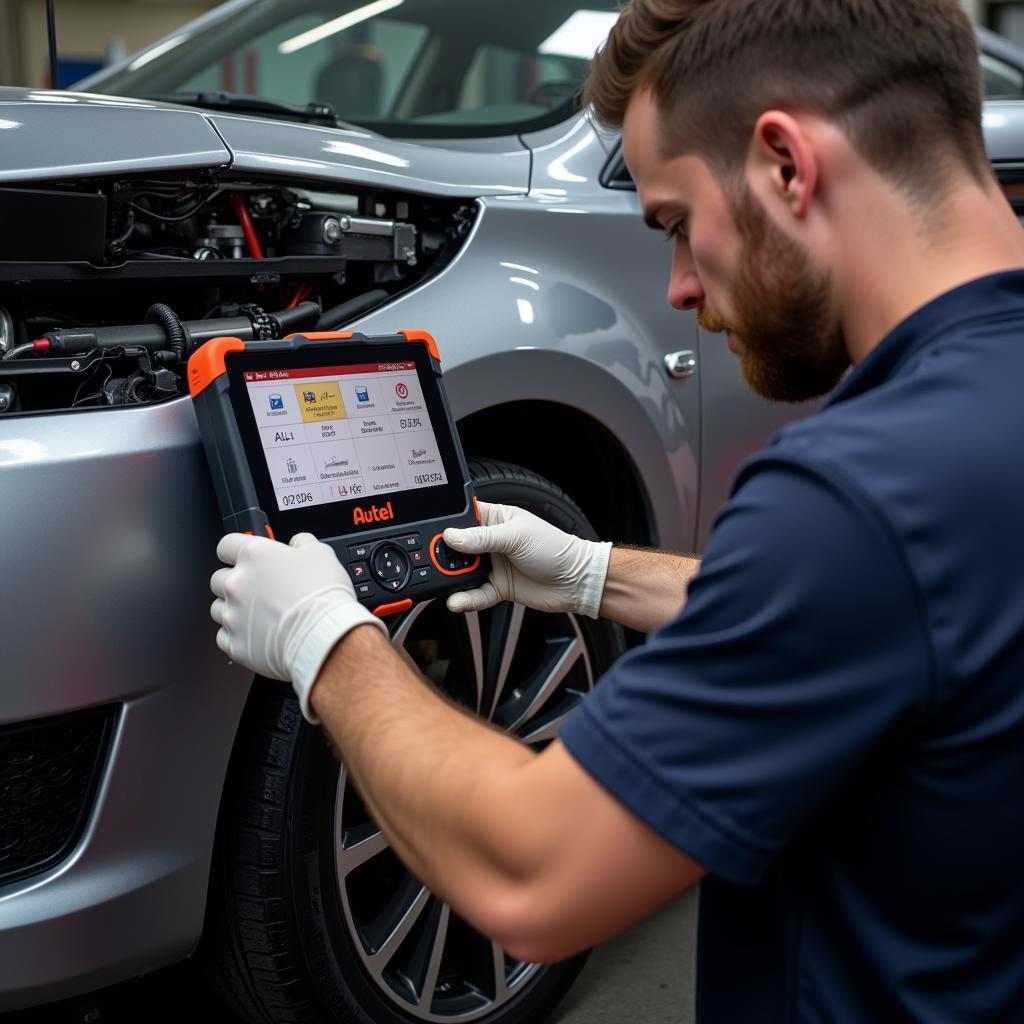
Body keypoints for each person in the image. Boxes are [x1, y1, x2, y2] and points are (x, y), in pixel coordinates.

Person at [208, 0, 1024, 1019]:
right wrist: (595, 573)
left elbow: (531, 876)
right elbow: (907, 618)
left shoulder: (860, 490)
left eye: (676, 223)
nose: (679, 285)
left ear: (783, 163)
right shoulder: (963, 437)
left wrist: (323, 640)